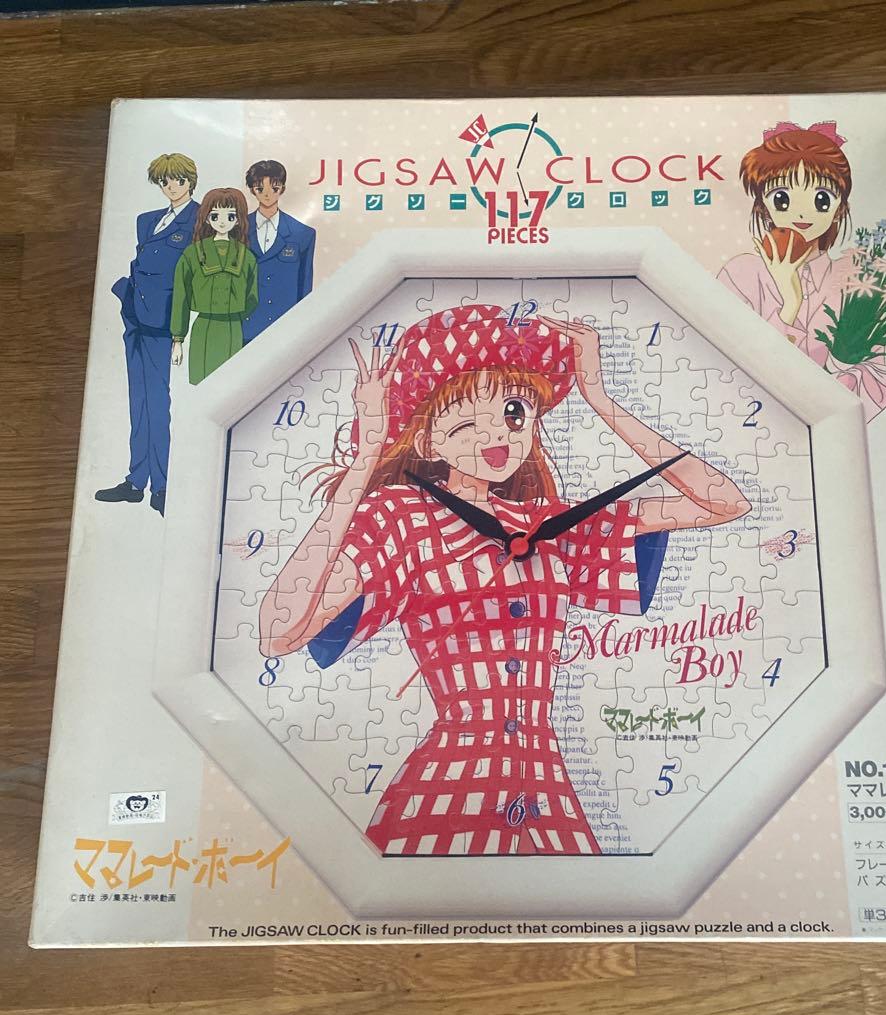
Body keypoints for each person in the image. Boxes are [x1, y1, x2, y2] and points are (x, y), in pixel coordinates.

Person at [258, 305, 751, 857]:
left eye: (514, 412)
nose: (496, 435)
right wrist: (366, 457)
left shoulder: (548, 526)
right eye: (466, 422)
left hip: (545, 784)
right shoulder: (401, 515)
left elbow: (724, 503)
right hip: (452, 784)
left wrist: (600, 399)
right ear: (428, 443)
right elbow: (280, 631)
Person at [718, 122, 886, 420]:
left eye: (821, 199)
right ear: (762, 206)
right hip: (747, 422)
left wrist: (828, 391)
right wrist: (790, 305)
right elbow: (725, 365)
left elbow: (875, 381)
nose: (801, 213)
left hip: (832, 431)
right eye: (782, 198)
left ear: (840, 208)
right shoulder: (740, 274)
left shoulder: (857, 280)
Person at [97, 152, 199, 516]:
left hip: (163, 325)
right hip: (135, 320)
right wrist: (125, 293)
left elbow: (193, 277)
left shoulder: (200, 220)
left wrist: (179, 328)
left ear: (190, 181)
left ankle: (163, 485)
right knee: (137, 402)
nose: (171, 186)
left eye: (178, 180)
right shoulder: (147, 220)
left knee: (157, 403)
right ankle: (135, 481)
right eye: (165, 181)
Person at [170, 188, 258, 385]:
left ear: (238, 220)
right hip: (203, 327)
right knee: (202, 384)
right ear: (207, 219)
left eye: (230, 216)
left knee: (231, 385)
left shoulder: (247, 257)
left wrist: (234, 313)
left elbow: (252, 298)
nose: (222, 221)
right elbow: (180, 298)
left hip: (233, 329)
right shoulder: (192, 254)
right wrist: (178, 340)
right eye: (215, 215)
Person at [241, 160, 316, 344]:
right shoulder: (237, 231)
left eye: (274, 188)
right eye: (260, 189)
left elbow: (305, 288)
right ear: (252, 190)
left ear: (282, 188)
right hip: (244, 326)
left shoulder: (303, 234)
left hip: (284, 329)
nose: (267, 194)